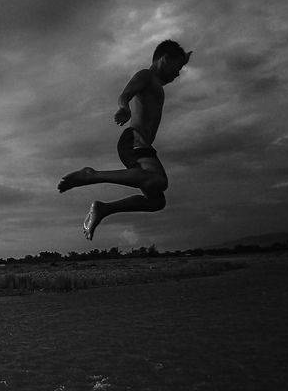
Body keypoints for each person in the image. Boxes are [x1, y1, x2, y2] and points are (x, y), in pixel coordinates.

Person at [58, 39, 192, 241]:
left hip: (143, 145)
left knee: (156, 202)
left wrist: (184, 57)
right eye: (178, 67)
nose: (178, 73)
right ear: (165, 59)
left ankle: (103, 209)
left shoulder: (156, 85)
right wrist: (124, 108)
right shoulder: (146, 76)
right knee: (158, 180)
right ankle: (91, 175)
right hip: (134, 141)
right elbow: (125, 94)